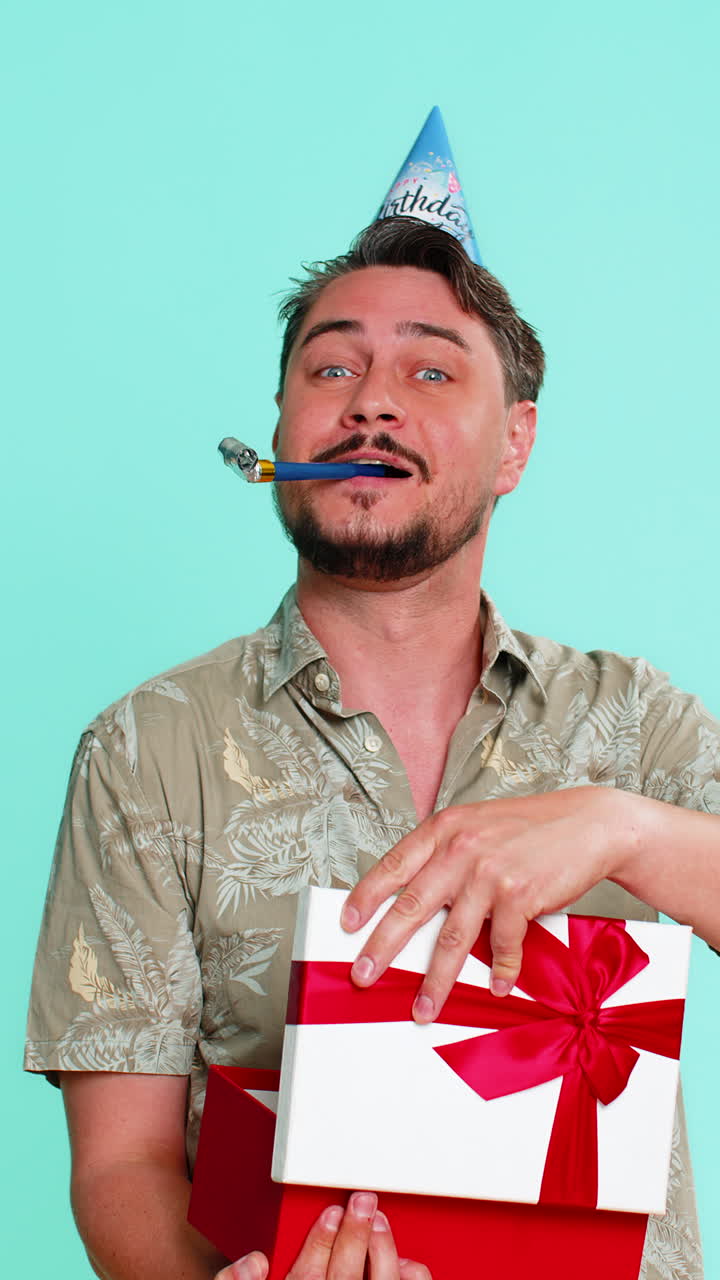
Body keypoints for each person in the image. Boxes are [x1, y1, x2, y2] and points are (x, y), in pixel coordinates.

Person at [25, 214, 719, 1280]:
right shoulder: (145, 749)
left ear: (516, 443)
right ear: (282, 427)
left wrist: (619, 825)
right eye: (332, 364)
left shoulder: (633, 721)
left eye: (432, 371)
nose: (371, 401)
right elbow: (121, 1162)